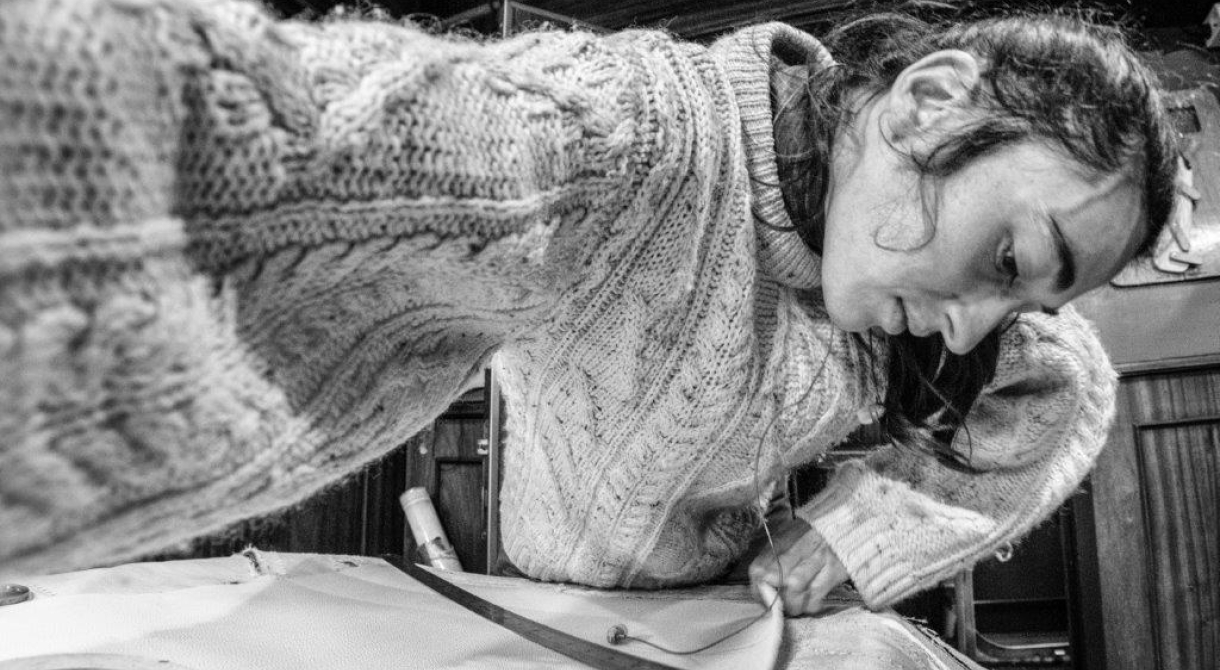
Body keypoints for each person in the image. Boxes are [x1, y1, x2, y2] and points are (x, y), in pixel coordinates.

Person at [0, 0, 1176, 622]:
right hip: (519, 595)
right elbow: (292, 140)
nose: (970, 329)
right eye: (1006, 255)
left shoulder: (895, 305)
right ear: (928, 104)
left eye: (1018, 294)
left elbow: (1064, 386)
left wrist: (845, 541)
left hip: (722, 624)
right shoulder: (634, 137)